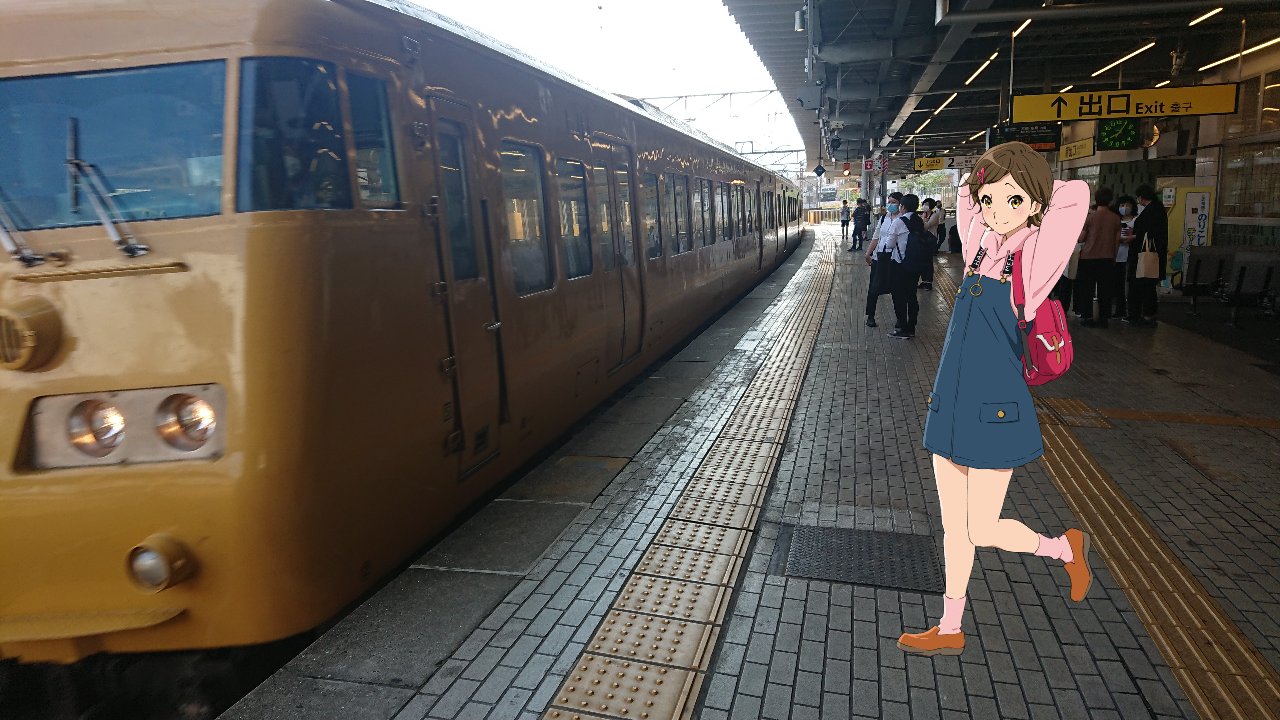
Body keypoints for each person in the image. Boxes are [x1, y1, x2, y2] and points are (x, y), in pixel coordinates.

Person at [898, 142, 1092, 657]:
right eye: (989, 200)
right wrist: (980, 180)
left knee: (981, 528)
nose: (996, 211)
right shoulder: (980, 247)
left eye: (1013, 200)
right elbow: (966, 196)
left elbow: (1075, 195)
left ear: (1036, 203)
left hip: (996, 411)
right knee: (954, 530)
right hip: (951, 403)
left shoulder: (1034, 260)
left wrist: (1021, 176)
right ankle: (950, 626)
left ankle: (1062, 548)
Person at [1074, 187, 1121, 327]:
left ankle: (1086, 317)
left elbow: (1081, 238)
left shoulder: (1090, 217)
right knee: (1105, 290)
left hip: (1088, 258)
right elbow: (1117, 242)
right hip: (1107, 258)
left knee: (1086, 289)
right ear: (1110, 200)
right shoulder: (1115, 218)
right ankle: (1103, 319)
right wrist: (1113, 257)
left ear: (1096, 199)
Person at [1126, 185, 1167, 326]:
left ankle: (1145, 316)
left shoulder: (1152, 210)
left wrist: (1133, 237)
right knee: (1147, 285)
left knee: (1144, 284)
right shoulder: (1157, 208)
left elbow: (1147, 233)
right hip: (1152, 253)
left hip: (1145, 254)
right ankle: (1147, 314)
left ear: (1141, 197)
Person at [864, 192, 904, 327]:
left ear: (900, 204)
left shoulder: (903, 219)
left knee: (897, 290)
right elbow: (876, 237)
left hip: (895, 260)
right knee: (874, 288)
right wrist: (868, 254)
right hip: (879, 257)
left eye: (894, 202)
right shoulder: (883, 218)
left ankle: (900, 319)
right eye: (889, 202)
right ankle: (870, 316)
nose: (890, 205)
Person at [889, 194, 923, 338]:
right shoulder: (919, 220)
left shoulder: (898, 221)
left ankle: (902, 328)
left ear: (902, 207)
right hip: (915, 263)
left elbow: (889, 244)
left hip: (900, 264)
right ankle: (911, 328)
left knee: (899, 296)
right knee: (911, 296)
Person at [1112, 195, 1136, 318]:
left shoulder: (1136, 220)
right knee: (1118, 285)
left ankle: (1130, 310)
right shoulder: (1115, 220)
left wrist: (1132, 237)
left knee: (1129, 284)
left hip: (1130, 256)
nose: (1125, 207)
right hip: (1117, 256)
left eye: (1127, 205)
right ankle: (1119, 309)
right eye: (1122, 205)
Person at [919, 198, 941, 290]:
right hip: (923, 239)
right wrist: (923, 219)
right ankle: (924, 281)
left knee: (928, 261)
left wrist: (923, 220)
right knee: (922, 260)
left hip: (930, 239)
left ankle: (928, 282)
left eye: (927, 204)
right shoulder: (923, 214)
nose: (925, 206)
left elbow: (926, 226)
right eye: (924, 204)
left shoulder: (934, 215)